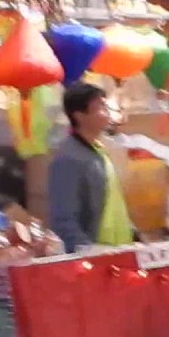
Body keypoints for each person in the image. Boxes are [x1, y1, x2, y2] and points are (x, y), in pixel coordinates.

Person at [48, 83, 134, 253]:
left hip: (119, 250)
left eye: (105, 105)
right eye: (100, 107)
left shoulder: (99, 150)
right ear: (79, 116)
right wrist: (88, 252)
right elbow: (64, 218)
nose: (107, 113)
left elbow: (113, 200)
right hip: (97, 254)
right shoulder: (68, 158)